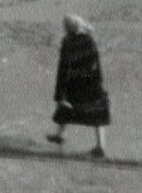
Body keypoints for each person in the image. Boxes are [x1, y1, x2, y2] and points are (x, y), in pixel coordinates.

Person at [47, 15, 110, 158]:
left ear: (68, 27)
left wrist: (59, 91)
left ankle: (60, 134)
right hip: (91, 83)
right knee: (97, 115)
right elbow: (96, 63)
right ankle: (100, 145)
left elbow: (63, 67)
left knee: (65, 107)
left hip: (74, 83)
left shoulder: (68, 41)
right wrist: (98, 81)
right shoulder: (89, 40)